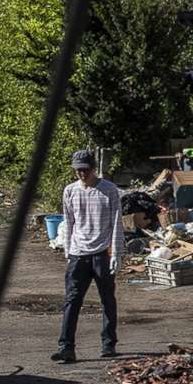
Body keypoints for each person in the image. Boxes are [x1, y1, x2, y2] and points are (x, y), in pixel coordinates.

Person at [53, 149, 123, 364]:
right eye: (77, 171)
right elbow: (68, 222)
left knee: (107, 300)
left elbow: (116, 223)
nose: (82, 174)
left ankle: (108, 343)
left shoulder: (109, 190)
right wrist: (68, 251)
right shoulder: (70, 191)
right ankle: (66, 347)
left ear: (93, 169)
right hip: (78, 254)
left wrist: (117, 253)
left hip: (102, 253)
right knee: (72, 301)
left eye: (85, 170)